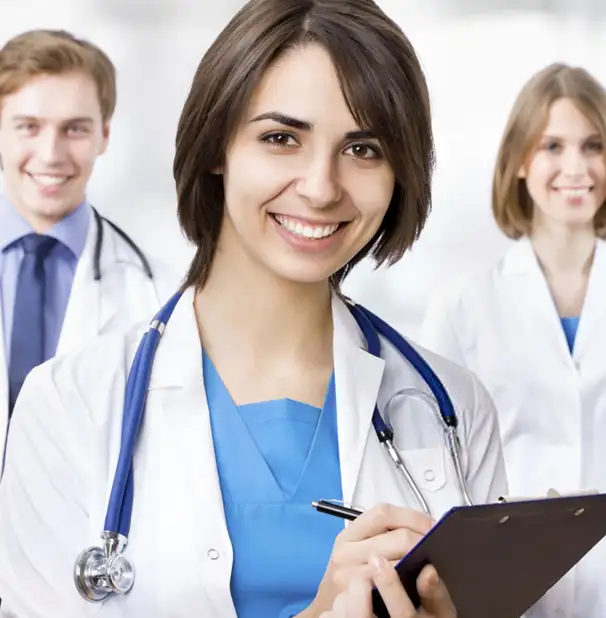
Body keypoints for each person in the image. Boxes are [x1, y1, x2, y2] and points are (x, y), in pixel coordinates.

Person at [0, 1, 507, 616]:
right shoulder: (68, 405)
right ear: (217, 145)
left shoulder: (451, 408)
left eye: (364, 148)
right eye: (280, 138)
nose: (321, 187)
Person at [420, 63, 606, 618]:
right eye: (552, 145)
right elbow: (430, 466)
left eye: (593, 145)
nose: (576, 166)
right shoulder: (464, 305)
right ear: (521, 162)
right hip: (509, 585)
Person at [0, 29, 182, 465]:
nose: (51, 154)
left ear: (103, 134)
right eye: (28, 127)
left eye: (74, 129)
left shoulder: (161, 297)